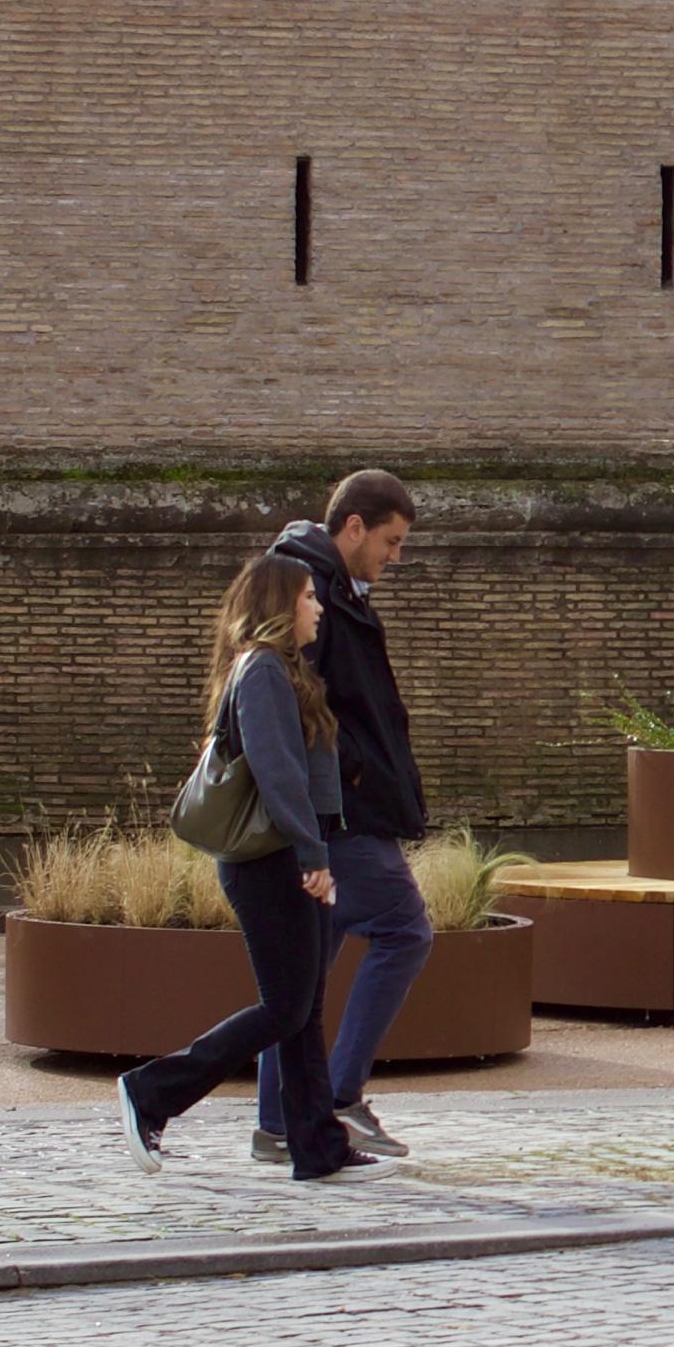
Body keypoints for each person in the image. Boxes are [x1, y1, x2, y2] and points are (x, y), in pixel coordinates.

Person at [118, 552, 366, 1182]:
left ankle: (318, 1149)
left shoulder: (284, 671)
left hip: (289, 855)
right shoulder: (260, 670)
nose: (317, 607)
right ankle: (151, 1091)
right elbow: (278, 771)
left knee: (303, 1009)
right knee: (285, 1008)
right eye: (308, 596)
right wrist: (313, 855)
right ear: (281, 606)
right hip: (268, 861)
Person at [252, 468, 430, 1165]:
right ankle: (337, 1097)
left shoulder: (332, 586)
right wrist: (352, 771)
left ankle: (277, 1122)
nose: (396, 556)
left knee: (306, 970)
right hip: (344, 812)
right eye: (390, 540)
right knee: (403, 930)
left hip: (342, 805)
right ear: (352, 527)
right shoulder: (309, 587)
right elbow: (298, 696)